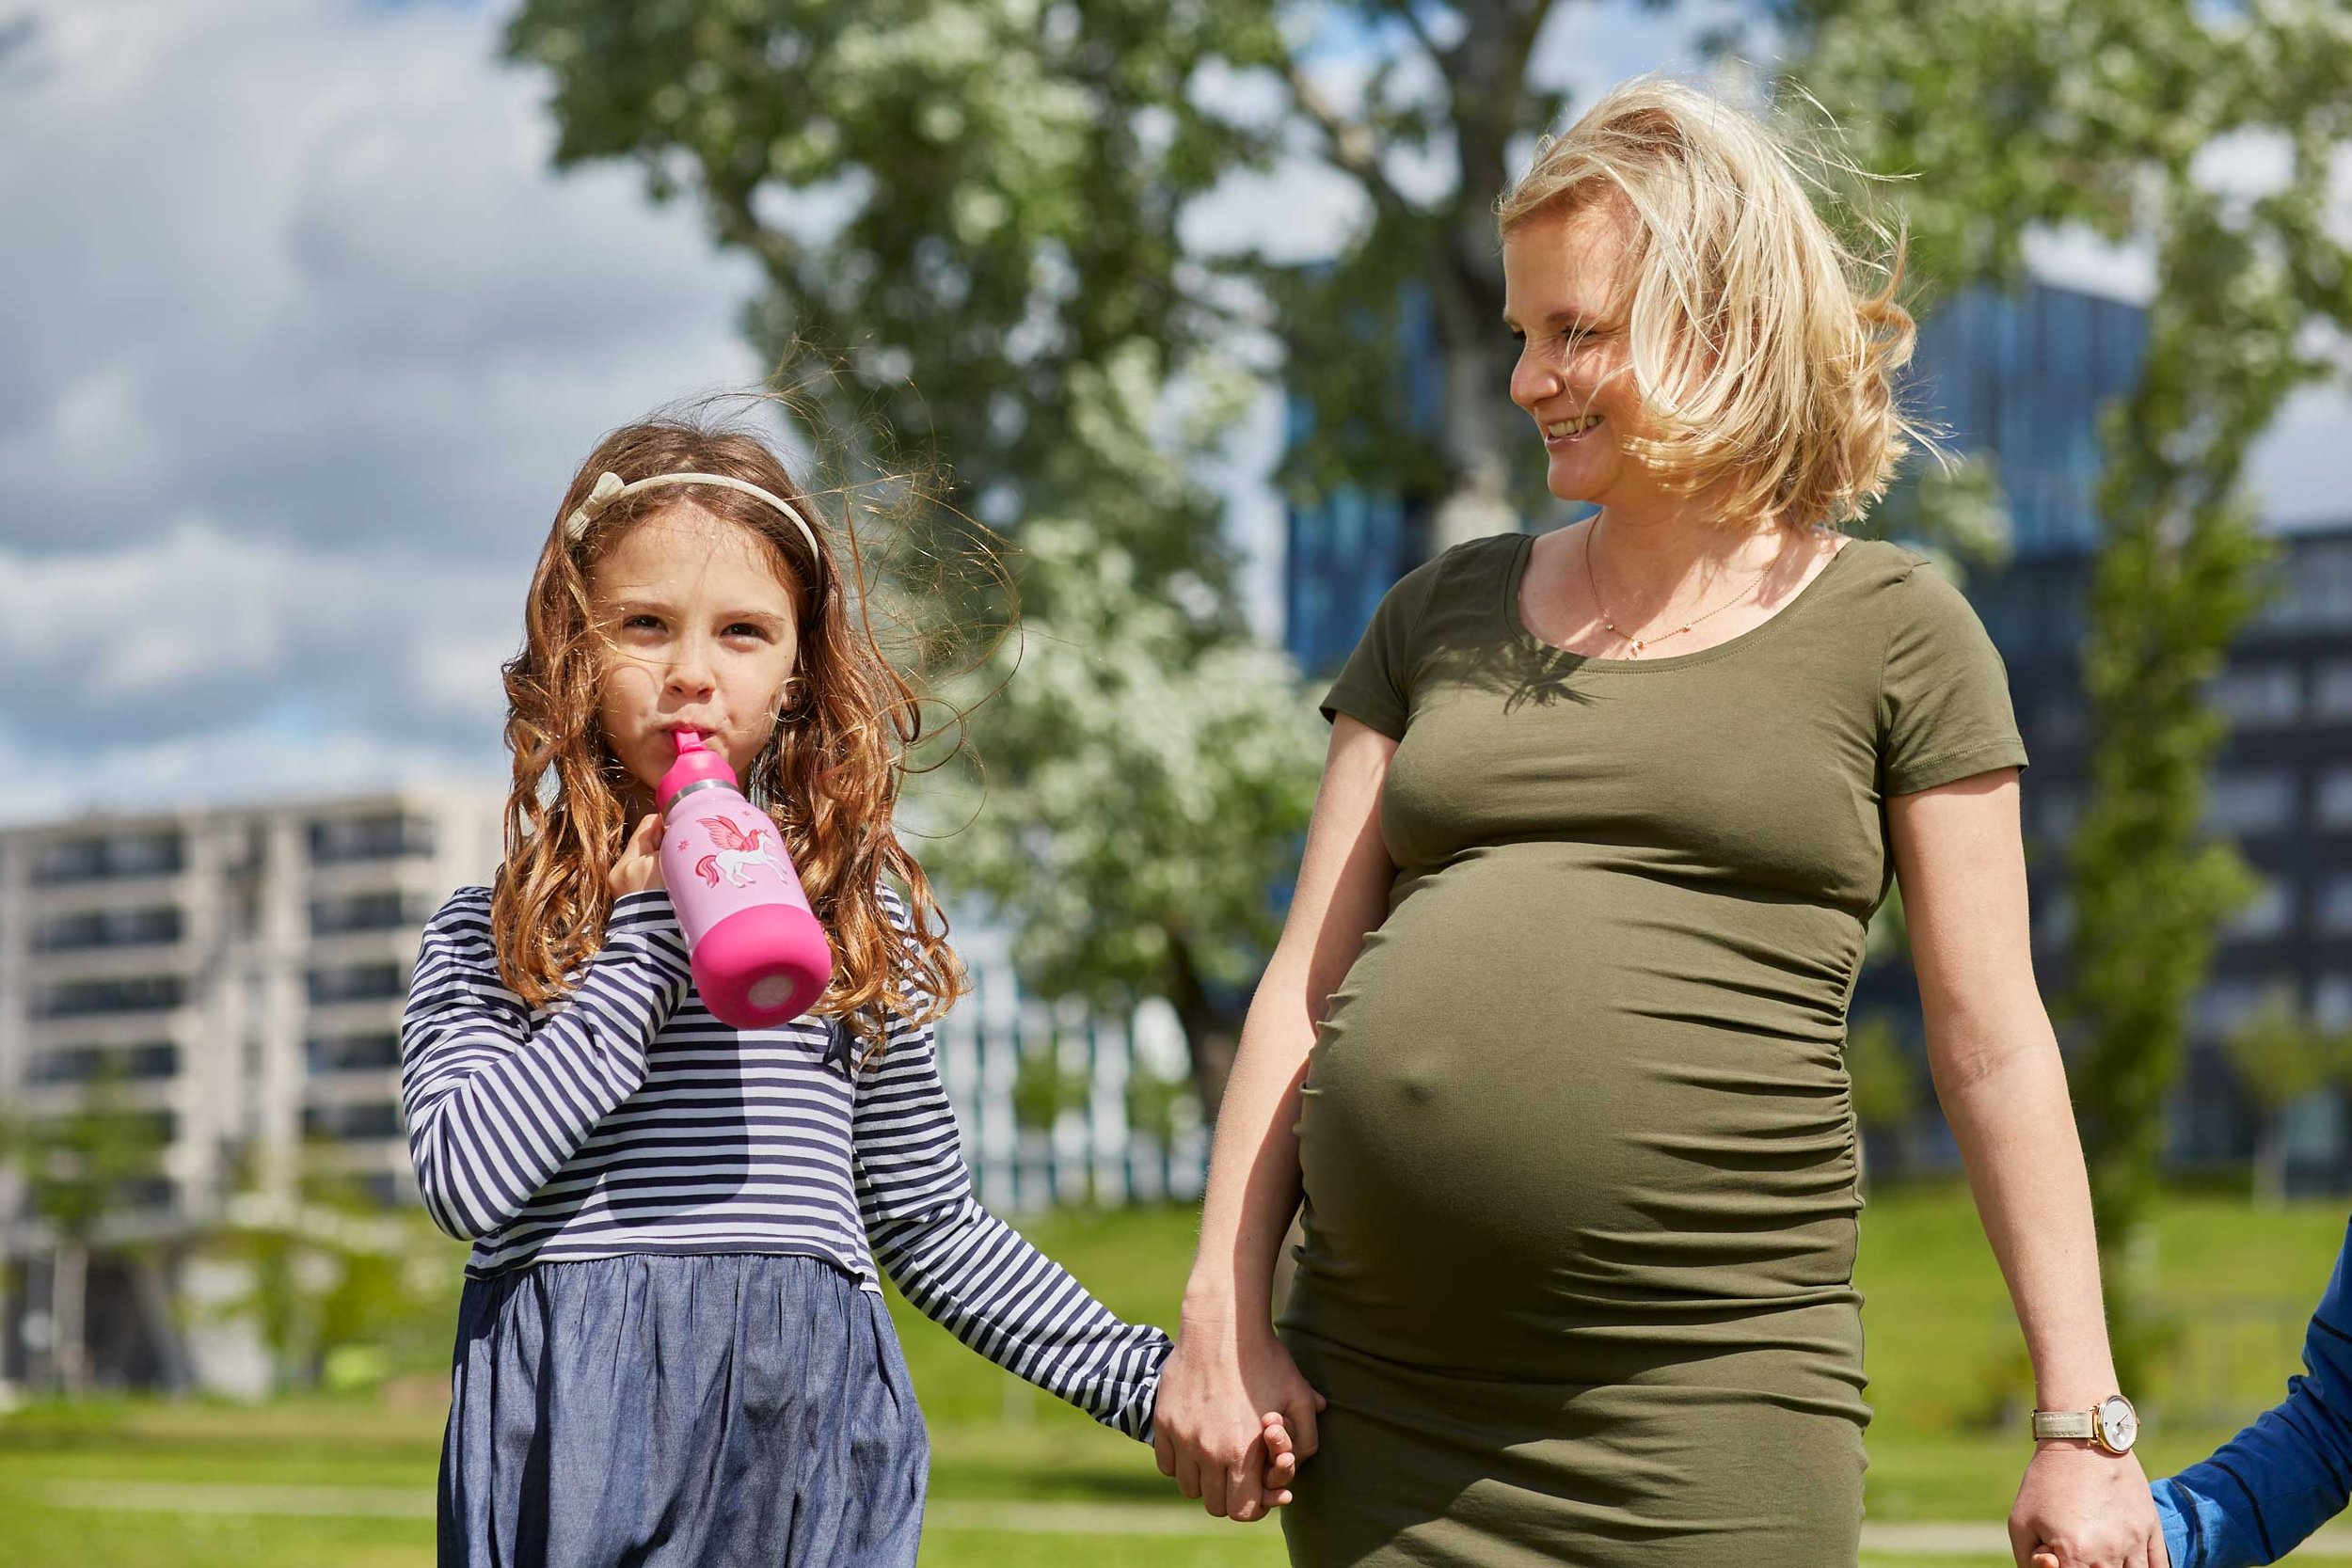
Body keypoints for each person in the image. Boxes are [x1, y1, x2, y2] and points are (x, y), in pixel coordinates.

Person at [1151, 75, 2165, 1567]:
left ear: (1721, 323)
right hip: (1389, 1412)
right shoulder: (1436, 614)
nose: (1529, 378)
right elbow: (1306, 981)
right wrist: (1220, 1313)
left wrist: (2082, 1422)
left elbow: (1994, 1036)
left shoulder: (1901, 632)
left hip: (1708, 1406)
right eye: (1520, 333)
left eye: (1578, 332)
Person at [399, 413, 1288, 1565]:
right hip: (580, 1452)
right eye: (644, 626)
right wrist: (642, 950)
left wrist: (1146, 1380)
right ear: (571, 648)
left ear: (797, 676)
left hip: (803, 1455)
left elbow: (933, 1228)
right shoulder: (492, 936)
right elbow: (468, 1179)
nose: (691, 675)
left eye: (743, 633)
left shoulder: (837, 948)